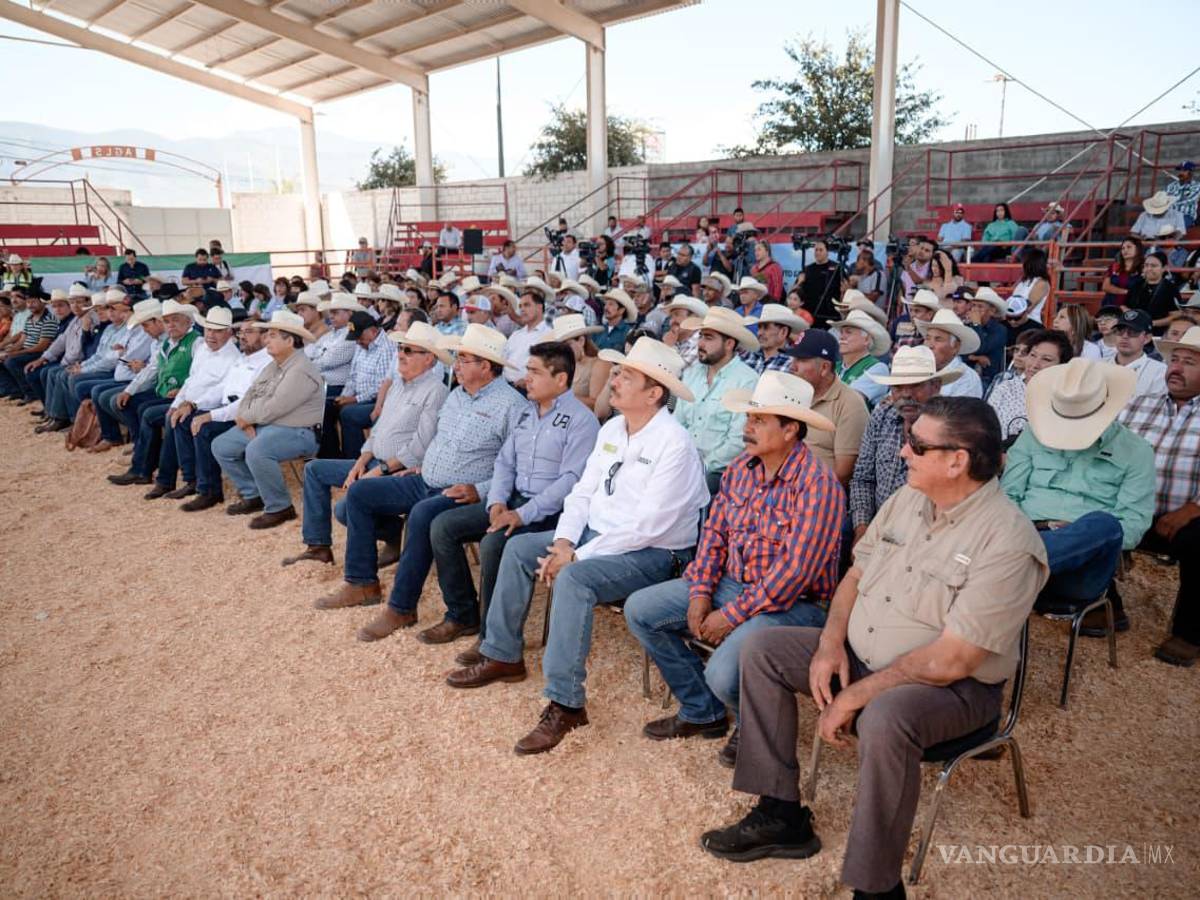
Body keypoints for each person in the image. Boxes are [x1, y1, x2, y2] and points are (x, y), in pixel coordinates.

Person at [700, 397, 1049, 900]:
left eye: (918, 445)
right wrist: (828, 643)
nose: (903, 451)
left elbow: (954, 660)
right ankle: (781, 814)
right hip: (866, 659)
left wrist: (855, 694)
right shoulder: (910, 497)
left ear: (958, 460)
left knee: (887, 716)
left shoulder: (1008, 540)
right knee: (762, 649)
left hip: (953, 690)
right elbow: (856, 575)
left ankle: (876, 887)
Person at [445, 337, 708, 757]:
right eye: (617, 372)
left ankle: (566, 703)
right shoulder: (612, 428)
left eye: (625, 376)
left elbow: (648, 526)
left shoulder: (673, 443)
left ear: (655, 393)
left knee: (573, 581)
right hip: (596, 539)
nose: (615, 381)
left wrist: (577, 555)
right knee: (517, 549)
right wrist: (565, 539)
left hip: (655, 554)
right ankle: (502, 654)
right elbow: (583, 494)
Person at [625, 371, 843, 762]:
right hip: (732, 585)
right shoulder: (742, 468)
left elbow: (794, 575)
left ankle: (751, 725)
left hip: (796, 606)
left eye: (759, 420)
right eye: (748, 418)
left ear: (791, 429)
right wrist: (700, 593)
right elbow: (714, 536)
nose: (748, 427)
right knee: (640, 610)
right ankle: (702, 710)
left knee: (723, 674)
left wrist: (730, 615)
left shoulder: (818, 485)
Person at [317, 324, 525, 636]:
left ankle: (402, 608)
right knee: (360, 493)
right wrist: (418, 466)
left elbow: (516, 468)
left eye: (463, 358)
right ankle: (362, 583)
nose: (455, 362)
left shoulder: (512, 405)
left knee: (422, 515)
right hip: (424, 478)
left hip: (461, 492)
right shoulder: (457, 395)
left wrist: (478, 490)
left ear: (486, 366)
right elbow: (439, 443)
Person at [424, 341, 600, 648]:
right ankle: (463, 613)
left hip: (550, 513)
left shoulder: (581, 421)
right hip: (513, 500)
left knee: (495, 543)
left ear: (560, 380)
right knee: (443, 526)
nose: (526, 378)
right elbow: (505, 462)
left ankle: (492, 639)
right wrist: (496, 501)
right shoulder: (527, 413)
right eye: (527, 371)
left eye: (534, 371)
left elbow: (570, 482)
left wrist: (520, 514)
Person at [1004, 358, 1155, 635]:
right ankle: (1018, 561)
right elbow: (1007, 495)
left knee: (1103, 525)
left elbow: (1133, 525)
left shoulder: (1137, 451)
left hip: (1081, 562)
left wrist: (1074, 533)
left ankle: (1011, 565)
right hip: (1025, 535)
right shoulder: (1032, 435)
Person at [284, 322, 450, 565]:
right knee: (314, 469)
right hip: (375, 461)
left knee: (344, 509)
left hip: (399, 471)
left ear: (430, 359)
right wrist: (360, 463)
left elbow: (420, 447)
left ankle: (392, 533)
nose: (400, 354)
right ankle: (318, 545)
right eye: (401, 348)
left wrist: (379, 470)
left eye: (409, 350)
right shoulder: (398, 385)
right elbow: (376, 432)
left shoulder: (436, 391)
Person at [1120, 326, 1200, 665]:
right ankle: (1102, 602)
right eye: (1174, 360)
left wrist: (1194, 509)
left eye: (1190, 362)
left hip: (1186, 516)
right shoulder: (1138, 405)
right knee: (1085, 519)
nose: (1176, 368)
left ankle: (1189, 633)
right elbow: (1108, 457)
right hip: (1131, 507)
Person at [209, 310, 325, 529]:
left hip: (300, 432)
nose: (266, 339)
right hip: (268, 425)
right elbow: (249, 396)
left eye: (272, 335)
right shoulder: (275, 365)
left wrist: (247, 418)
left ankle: (280, 507)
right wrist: (245, 417)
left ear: (289, 340)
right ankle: (253, 494)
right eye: (267, 334)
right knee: (221, 445)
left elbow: (276, 406)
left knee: (258, 450)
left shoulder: (301, 368)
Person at [850, 345, 957, 541]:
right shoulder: (882, 415)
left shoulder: (950, 427)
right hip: (875, 528)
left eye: (916, 385)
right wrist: (862, 528)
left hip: (924, 535)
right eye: (898, 387)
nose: (906, 394)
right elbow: (862, 478)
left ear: (935, 386)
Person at [144, 307, 241, 500]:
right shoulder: (203, 349)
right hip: (190, 402)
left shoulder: (233, 358)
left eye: (218, 331)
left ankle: (190, 482)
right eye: (208, 329)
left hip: (212, 407)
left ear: (229, 333)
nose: (211, 335)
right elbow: (191, 379)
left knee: (183, 421)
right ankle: (182, 479)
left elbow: (221, 391)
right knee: (171, 416)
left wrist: (192, 404)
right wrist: (178, 402)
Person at [177, 321, 273, 511]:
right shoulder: (244, 357)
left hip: (250, 416)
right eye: (241, 332)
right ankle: (193, 480)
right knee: (185, 419)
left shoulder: (267, 362)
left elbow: (247, 402)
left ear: (264, 336)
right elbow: (222, 388)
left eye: (249, 332)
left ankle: (210, 491)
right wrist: (194, 404)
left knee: (204, 428)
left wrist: (210, 415)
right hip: (229, 409)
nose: (242, 336)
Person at [107, 299, 201, 487]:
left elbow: (199, 375)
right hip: (166, 393)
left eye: (175, 319)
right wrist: (129, 390)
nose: (171, 325)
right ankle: (143, 457)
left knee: (147, 412)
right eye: (167, 321)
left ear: (188, 321)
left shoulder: (197, 342)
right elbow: (152, 369)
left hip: (184, 398)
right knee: (132, 403)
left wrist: (183, 392)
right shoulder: (168, 343)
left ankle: (143, 468)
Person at [674, 308, 761, 494]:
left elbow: (738, 441)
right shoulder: (692, 373)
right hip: (682, 460)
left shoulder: (747, 380)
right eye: (701, 336)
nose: (700, 343)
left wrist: (701, 466)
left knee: (682, 487)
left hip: (720, 470)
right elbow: (677, 424)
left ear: (729, 344)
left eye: (709, 338)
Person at [783, 330, 868, 487]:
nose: (792, 366)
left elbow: (842, 473)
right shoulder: (789, 392)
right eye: (793, 358)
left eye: (801, 360)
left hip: (816, 494)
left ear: (824, 367)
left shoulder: (849, 404)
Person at [987, 329, 1073, 443]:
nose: (1035, 364)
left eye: (1046, 359)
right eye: (1033, 355)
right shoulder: (1006, 389)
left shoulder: (1066, 398)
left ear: (1062, 366)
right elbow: (986, 429)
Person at [332, 310, 397, 459]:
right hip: (361, 396)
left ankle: (353, 459)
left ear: (373, 331)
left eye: (360, 337)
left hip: (381, 400)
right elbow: (352, 376)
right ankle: (333, 454)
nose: (358, 342)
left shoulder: (386, 348)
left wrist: (353, 399)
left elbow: (381, 387)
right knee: (329, 407)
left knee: (349, 414)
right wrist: (344, 396)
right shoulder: (362, 346)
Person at [536, 313, 608, 409]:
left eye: (567, 345)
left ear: (581, 341)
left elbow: (597, 405)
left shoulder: (599, 364)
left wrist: (558, 395)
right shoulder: (566, 366)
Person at [0, 291, 58, 401]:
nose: (30, 305)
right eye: (28, 302)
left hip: (39, 353)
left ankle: (31, 394)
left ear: (43, 303)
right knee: (3, 358)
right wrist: (11, 350)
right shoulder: (29, 318)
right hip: (27, 350)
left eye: (33, 302)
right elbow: (22, 340)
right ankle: (15, 390)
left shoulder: (49, 319)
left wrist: (16, 353)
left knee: (11, 361)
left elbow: (41, 346)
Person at [916, 309, 984, 398]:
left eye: (938, 339)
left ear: (955, 347)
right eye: (927, 338)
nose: (930, 345)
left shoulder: (967, 378)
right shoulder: (916, 368)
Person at [830, 310, 891, 408]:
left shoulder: (878, 368)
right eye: (841, 332)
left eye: (848, 332)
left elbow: (850, 401)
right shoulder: (834, 366)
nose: (841, 337)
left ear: (866, 340)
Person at [1108, 309, 1167, 400]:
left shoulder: (1160, 372)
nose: (1125, 336)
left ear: (1147, 338)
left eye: (1133, 332)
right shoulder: (1098, 365)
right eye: (1120, 331)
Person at [503, 283, 553, 387]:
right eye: (520, 306)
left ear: (539, 307)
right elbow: (503, 358)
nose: (522, 309)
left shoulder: (549, 335)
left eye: (527, 305)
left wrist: (527, 381)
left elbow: (547, 368)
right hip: (504, 385)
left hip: (528, 388)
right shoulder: (516, 334)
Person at [1124, 250, 1182, 332]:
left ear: (1164, 268)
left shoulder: (1170, 288)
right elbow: (1124, 306)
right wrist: (1132, 317)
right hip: (1135, 330)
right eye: (1146, 265)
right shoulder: (1137, 285)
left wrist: (1152, 323)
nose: (1149, 269)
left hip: (1159, 333)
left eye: (1153, 266)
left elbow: (1176, 316)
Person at [740, 304, 806, 374]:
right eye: (759, 327)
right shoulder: (747, 355)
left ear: (783, 332)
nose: (759, 333)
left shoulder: (792, 365)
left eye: (766, 327)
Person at [964, 287, 1008, 387]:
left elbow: (981, 347)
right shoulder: (967, 326)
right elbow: (957, 351)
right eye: (974, 306)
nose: (975, 310)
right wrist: (974, 357)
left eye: (980, 307)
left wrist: (976, 324)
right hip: (966, 374)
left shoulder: (1000, 330)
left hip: (988, 378)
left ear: (992, 311)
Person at [794, 239, 843, 327]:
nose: (818, 252)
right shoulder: (808, 269)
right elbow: (795, 290)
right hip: (811, 314)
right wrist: (799, 282)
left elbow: (845, 288)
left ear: (827, 252)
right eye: (816, 250)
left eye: (821, 250)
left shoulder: (836, 268)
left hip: (830, 315)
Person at [1010, 246, 1052, 322]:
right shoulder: (1024, 281)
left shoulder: (1041, 283)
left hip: (1030, 323)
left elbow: (1028, 307)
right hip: (1016, 320)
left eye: (1023, 262)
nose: (1021, 264)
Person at [1102, 237, 1145, 308]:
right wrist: (1127, 292)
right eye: (1123, 248)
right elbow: (1105, 287)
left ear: (1138, 249)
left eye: (1129, 247)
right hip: (1110, 306)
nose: (1125, 250)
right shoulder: (1114, 266)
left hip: (1132, 307)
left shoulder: (1144, 268)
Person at [593, 287, 637, 352]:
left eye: (611, 304)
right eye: (605, 304)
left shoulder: (629, 333)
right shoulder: (598, 331)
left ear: (621, 310)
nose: (605, 307)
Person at [1166, 160, 1199, 228]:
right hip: (1169, 215)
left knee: (1173, 228)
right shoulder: (1171, 186)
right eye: (1180, 170)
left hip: (1185, 215)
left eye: (1184, 171)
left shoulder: (1197, 186)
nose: (1181, 173)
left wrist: (1169, 202)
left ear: (1191, 172)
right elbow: (1162, 199)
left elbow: (1188, 200)